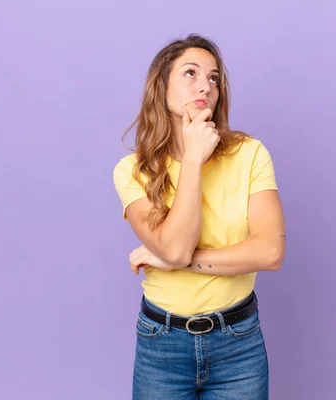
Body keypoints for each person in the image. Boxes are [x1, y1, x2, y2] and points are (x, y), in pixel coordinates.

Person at [112, 33, 286, 400]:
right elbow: (175, 249)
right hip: (162, 346)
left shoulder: (249, 154)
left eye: (213, 78)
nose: (205, 85)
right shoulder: (132, 171)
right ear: (161, 86)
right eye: (190, 73)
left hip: (238, 343)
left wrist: (179, 263)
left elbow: (270, 252)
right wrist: (192, 159)